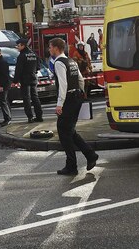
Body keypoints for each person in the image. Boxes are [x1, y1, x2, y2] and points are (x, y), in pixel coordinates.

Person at [51, 38, 97, 176]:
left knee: (63, 131)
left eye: (50, 47)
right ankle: (90, 155)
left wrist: (60, 104)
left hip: (68, 100)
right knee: (69, 130)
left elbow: (63, 84)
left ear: (56, 48)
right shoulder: (71, 61)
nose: (49, 50)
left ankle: (72, 165)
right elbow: (80, 79)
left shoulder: (59, 62)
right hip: (76, 97)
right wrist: (82, 93)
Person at [13, 37, 43, 123]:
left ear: (23, 46)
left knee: (26, 98)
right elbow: (39, 66)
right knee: (35, 97)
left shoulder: (21, 56)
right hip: (34, 78)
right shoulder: (34, 54)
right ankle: (39, 116)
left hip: (25, 80)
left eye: (18, 46)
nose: (17, 47)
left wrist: (15, 81)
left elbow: (18, 70)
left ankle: (30, 117)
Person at [0, 48, 12, 127]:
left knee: (4, 101)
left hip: (3, 85)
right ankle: (6, 118)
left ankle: (8, 119)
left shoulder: (2, 62)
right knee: (4, 101)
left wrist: (1, 86)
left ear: (0, 53)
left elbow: (4, 76)